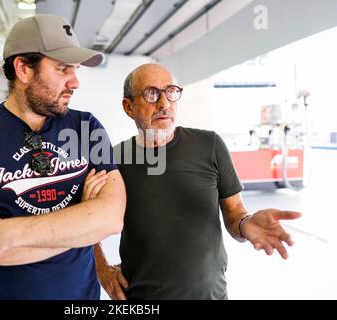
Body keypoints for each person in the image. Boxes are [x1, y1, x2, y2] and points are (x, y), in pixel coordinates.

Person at [0, 14, 126, 300]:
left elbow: (111, 218)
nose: (75, 82)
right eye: (63, 69)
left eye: (75, 70)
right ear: (23, 68)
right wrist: (81, 225)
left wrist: (4, 234)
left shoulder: (87, 127)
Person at [93, 63, 301, 300]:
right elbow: (87, 223)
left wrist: (247, 224)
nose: (164, 103)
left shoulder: (210, 146)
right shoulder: (114, 159)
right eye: (151, 94)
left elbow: (235, 212)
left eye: (171, 91)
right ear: (128, 107)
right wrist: (101, 267)